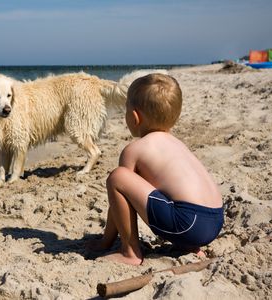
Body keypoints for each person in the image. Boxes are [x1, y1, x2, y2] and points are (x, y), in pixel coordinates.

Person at [87, 73, 223, 266]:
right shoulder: (178, 145)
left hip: (187, 223)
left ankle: (130, 252)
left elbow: (118, 202)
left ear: (135, 117)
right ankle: (189, 246)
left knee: (117, 177)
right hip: (215, 222)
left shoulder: (134, 150)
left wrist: (105, 241)